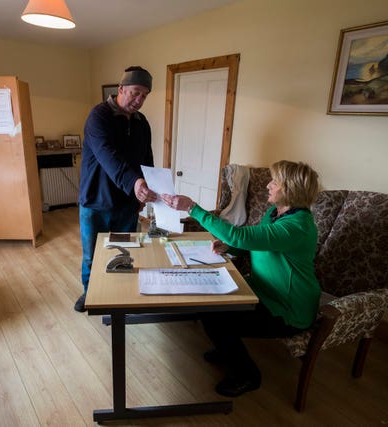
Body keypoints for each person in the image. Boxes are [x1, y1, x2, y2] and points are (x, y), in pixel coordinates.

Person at [161, 160, 321, 397]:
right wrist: (230, 248)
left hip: (288, 309)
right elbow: (255, 244)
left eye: (274, 182)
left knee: (216, 319)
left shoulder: (297, 226)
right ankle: (226, 346)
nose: (268, 185)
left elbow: (238, 235)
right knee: (211, 305)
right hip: (264, 292)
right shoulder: (274, 213)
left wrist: (192, 208)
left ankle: (248, 375)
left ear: (290, 189)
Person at [75, 66, 158, 312]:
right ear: (120, 89)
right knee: (93, 254)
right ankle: (89, 293)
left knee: (124, 251)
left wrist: (147, 187)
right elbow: (108, 157)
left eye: (144, 95)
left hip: (126, 205)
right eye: (135, 93)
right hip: (95, 201)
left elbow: (147, 160)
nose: (139, 100)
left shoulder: (142, 123)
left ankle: (119, 293)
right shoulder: (99, 116)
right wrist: (135, 183)